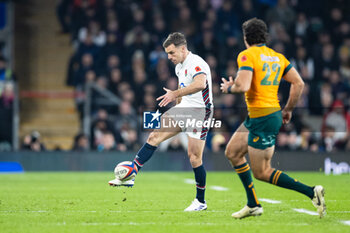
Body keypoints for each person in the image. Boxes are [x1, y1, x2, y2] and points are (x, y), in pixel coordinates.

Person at [220, 18, 326, 219]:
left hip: (263, 118)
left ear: (245, 38)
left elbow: (242, 85)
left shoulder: (246, 55)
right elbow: (299, 83)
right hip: (263, 115)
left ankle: (311, 192)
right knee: (232, 152)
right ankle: (253, 204)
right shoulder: (277, 57)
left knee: (262, 172)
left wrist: (229, 88)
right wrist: (288, 109)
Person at [109, 32, 213, 212]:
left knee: (194, 157)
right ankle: (131, 173)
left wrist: (174, 94)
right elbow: (183, 92)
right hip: (185, 109)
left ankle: (200, 201)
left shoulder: (196, 62)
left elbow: (200, 84)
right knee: (154, 135)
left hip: (200, 112)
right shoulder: (179, 67)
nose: (169, 57)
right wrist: (177, 110)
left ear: (182, 48)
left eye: (171, 53)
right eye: (167, 53)